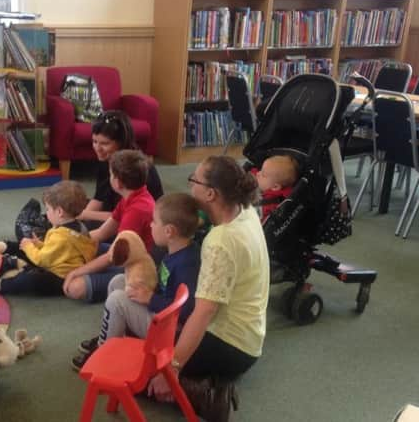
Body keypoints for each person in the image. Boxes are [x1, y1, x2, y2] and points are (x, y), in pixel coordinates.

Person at [147, 156, 269, 421]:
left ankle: (205, 395)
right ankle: (208, 381)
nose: (190, 187)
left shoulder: (220, 240)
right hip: (249, 338)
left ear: (211, 194)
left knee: (140, 371)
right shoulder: (246, 210)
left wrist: (173, 368)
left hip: (227, 345)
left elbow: (203, 313)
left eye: (194, 181)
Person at [71, 193, 202, 370]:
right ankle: (116, 336)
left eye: (154, 221)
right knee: (119, 281)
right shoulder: (175, 251)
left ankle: (104, 352)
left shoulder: (187, 264)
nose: (150, 224)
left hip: (168, 331)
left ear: (169, 231)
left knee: (117, 300)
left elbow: (186, 309)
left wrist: (150, 299)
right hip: (160, 314)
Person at [64, 149, 156, 303]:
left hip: (134, 267)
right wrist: (69, 240)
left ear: (118, 183)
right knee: (76, 249)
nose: (109, 178)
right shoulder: (130, 197)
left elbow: (111, 257)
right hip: (122, 256)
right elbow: (101, 233)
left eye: (111, 175)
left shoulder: (137, 209)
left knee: (75, 287)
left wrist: (75, 272)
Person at [0, 180, 98, 296]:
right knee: (23, 246)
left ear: (59, 212)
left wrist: (29, 246)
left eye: (48, 209)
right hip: (56, 263)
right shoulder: (77, 226)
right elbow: (60, 251)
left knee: (31, 280)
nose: (46, 212)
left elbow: (41, 260)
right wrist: (38, 244)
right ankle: (2, 249)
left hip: (61, 277)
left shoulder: (62, 236)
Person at [78, 110, 163, 228]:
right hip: (114, 213)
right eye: (94, 141)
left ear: (121, 143)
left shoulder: (134, 168)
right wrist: (79, 219)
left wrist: (84, 215)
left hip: (136, 223)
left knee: (85, 226)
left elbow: (122, 215)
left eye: (105, 143)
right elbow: (99, 198)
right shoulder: (107, 159)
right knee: (68, 208)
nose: (97, 148)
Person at [252, 154, 300, 220]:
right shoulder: (268, 182)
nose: (258, 173)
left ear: (275, 187)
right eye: (261, 169)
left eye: (263, 174)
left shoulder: (268, 206)